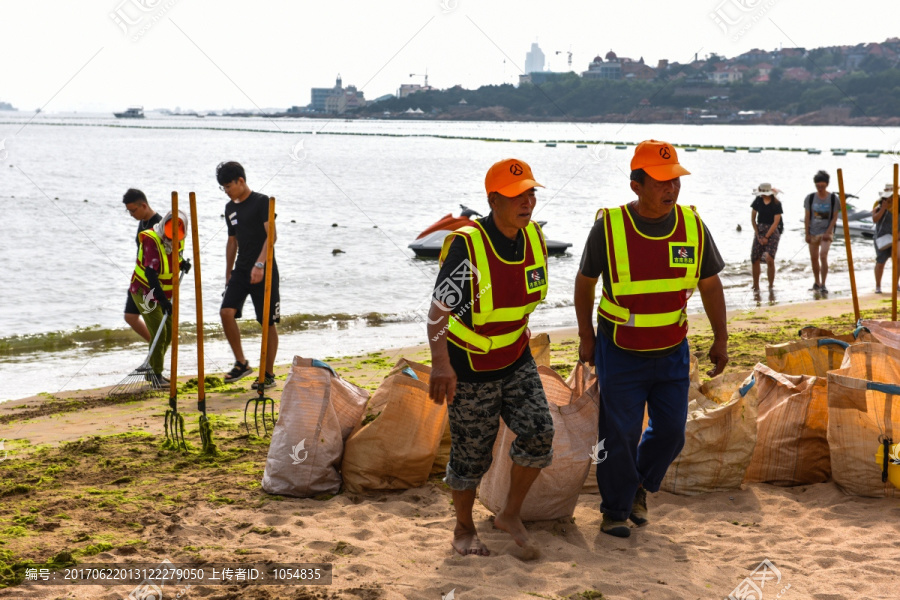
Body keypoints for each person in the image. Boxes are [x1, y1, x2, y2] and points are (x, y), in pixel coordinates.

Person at [573, 140, 728, 538]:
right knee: (619, 433)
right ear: (635, 185)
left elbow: (710, 286)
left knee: (672, 431)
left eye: (675, 180)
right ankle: (614, 510)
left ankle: (640, 487)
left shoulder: (693, 226)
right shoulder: (608, 226)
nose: (671, 189)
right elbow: (585, 283)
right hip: (620, 349)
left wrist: (721, 338)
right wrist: (586, 337)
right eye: (661, 181)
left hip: (673, 349)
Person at [427, 158, 554, 558]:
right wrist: (442, 365)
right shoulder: (468, 246)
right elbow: (437, 314)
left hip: (516, 357)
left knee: (539, 432)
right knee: (470, 457)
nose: (528, 202)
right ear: (493, 199)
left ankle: (509, 513)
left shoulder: (532, 237)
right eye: (518, 195)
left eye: (531, 193)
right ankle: (463, 528)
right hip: (470, 367)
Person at [217, 161, 279, 388]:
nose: (226, 190)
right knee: (226, 312)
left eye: (228, 186)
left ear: (240, 181)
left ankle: (268, 374)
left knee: (267, 322)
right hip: (241, 269)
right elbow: (232, 241)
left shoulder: (262, 202)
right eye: (223, 187)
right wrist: (227, 274)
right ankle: (241, 363)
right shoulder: (229, 208)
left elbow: (271, 237)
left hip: (266, 268)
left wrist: (260, 265)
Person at [129, 211, 188, 386]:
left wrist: (182, 263)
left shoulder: (178, 237)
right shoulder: (151, 240)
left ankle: (151, 370)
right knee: (159, 333)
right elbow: (151, 274)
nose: (172, 239)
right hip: (145, 291)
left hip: (164, 293)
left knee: (168, 333)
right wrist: (162, 300)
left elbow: (172, 256)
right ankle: (156, 375)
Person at [123, 188, 162, 342]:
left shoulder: (158, 225)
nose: (131, 215)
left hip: (152, 280)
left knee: (153, 320)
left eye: (133, 210)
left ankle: (157, 350)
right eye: (129, 212)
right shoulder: (143, 222)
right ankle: (154, 346)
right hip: (139, 278)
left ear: (144, 206)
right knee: (130, 316)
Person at [804, 170, 839, 293]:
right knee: (813, 258)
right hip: (813, 231)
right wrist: (807, 233)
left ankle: (824, 284)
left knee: (823, 255)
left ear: (827, 184)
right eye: (818, 186)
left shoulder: (833, 199)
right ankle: (817, 282)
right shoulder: (810, 198)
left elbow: (835, 217)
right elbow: (807, 216)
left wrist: (828, 232)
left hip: (826, 232)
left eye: (822, 186)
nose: (820, 188)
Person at [750, 183, 783, 291]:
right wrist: (758, 234)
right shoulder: (758, 201)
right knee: (755, 258)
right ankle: (756, 285)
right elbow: (753, 219)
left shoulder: (776, 204)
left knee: (769, 258)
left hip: (772, 231)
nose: (762, 195)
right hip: (759, 229)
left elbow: (776, 222)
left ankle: (770, 285)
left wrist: (766, 237)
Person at [873, 183, 897, 294]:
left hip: (897, 236)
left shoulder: (899, 203)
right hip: (881, 237)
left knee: (897, 259)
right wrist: (883, 208)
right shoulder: (878, 204)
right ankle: (878, 286)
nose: (890, 198)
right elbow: (875, 219)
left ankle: (896, 283)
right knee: (881, 261)